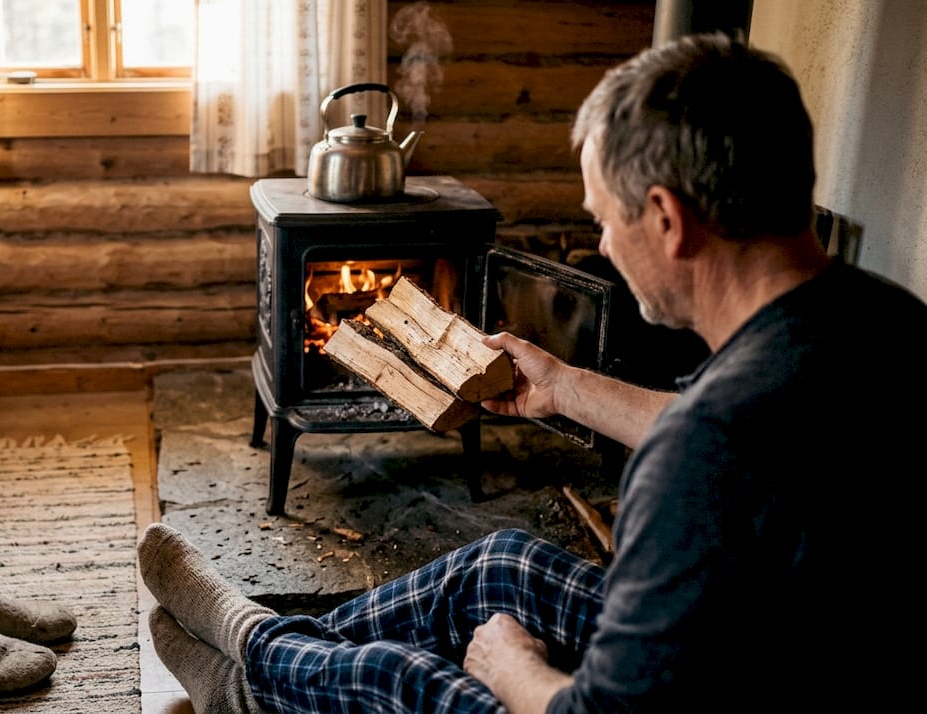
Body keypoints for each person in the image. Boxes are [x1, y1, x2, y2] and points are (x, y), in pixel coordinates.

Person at [138, 32, 927, 713]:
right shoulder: (878, 318)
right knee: (501, 565)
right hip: (769, 645)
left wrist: (511, 668)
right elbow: (737, 442)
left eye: (604, 220)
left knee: (405, 678)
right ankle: (260, 672)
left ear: (666, 219)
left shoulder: (703, 457)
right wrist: (564, 388)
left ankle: (248, 664)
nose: (604, 246)